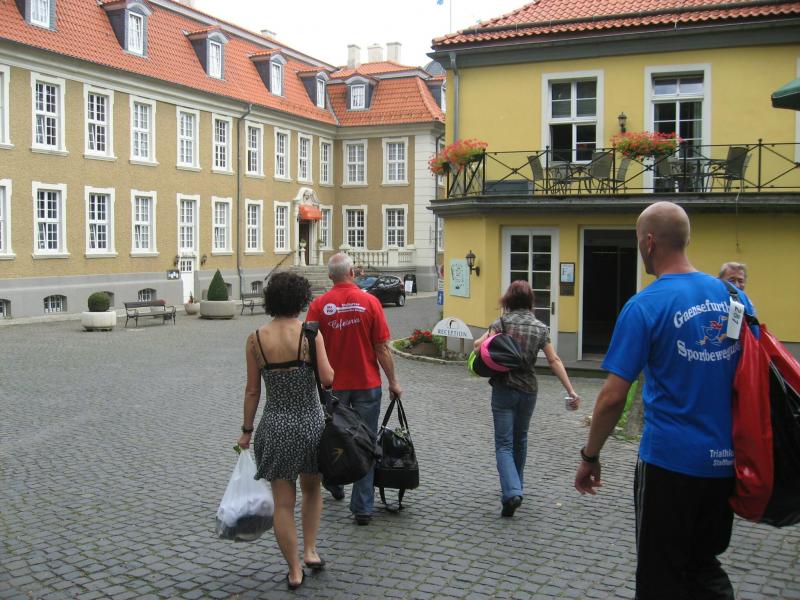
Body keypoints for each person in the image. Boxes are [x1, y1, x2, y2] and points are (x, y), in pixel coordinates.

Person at [574, 201, 755, 600]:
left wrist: (590, 456)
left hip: (669, 464)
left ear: (650, 243)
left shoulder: (645, 305)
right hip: (725, 463)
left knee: (661, 575)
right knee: (703, 565)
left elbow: (612, 398)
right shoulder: (734, 299)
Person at [237, 272, 334, 591]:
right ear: (301, 299)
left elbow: (253, 391)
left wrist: (246, 431)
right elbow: (327, 378)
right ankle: (310, 551)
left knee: (282, 503)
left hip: (275, 425)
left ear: (271, 300)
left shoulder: (255, 339)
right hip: (309, 423)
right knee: (312, 489)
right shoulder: (310, 333)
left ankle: (294, 570)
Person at [306, 252, 402, 525]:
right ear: (352, 273)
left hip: (331, 386)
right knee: (366, 443)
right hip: (366, 384)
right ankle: (362, 508)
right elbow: (382, 348)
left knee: (330, 439)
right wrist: (393, 381)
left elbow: (308, 346)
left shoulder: (318, 305)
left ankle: (333, 482)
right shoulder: (370, 302)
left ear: (330, 276)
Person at [474, 279, 580, 518]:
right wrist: (571, 390)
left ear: (508, 299)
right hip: (529, 390)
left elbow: (478, 346)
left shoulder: (501, 323)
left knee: (504, 444)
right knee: (520, 439)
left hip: (504, 388)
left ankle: (512, 492)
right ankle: (517, 487)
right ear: (530, 300)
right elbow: (554, 360)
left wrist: (485, 341)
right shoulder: (540, 328)